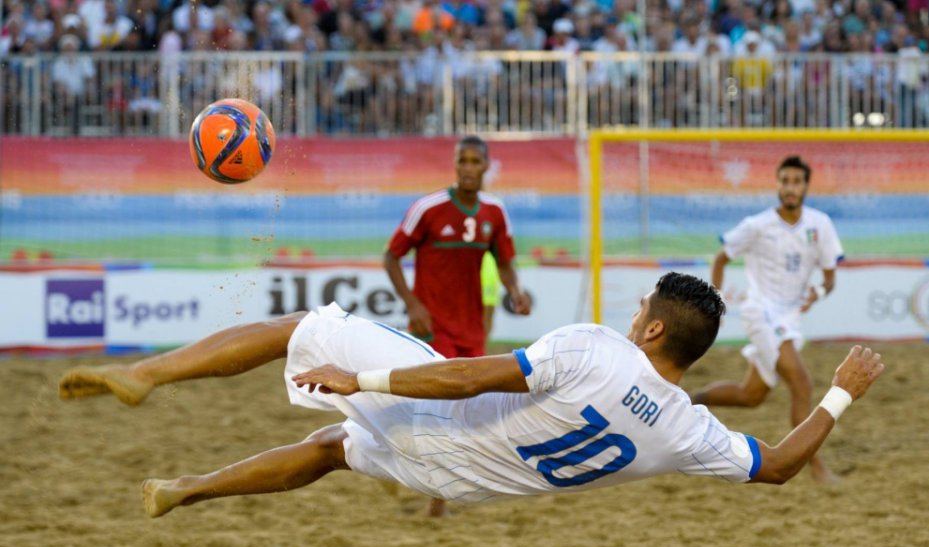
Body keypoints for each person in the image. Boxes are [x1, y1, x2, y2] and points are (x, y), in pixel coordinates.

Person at [57, 273, 884, 521]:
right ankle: (183, 490)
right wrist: (841, 395)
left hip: (434, 417)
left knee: (305, 325)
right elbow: (776, 466)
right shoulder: (687, 429)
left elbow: (468, 374)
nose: (634, 313)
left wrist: (364, 379)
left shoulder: (599, 347)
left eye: (644, 309)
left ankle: (149, 375)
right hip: (458, 483)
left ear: (656, 332)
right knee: (327, 451)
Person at [384, 134, 531, 515]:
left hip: (471, 329)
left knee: (463, 410)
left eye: (475, 161)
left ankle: (436, 493)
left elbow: (504, 262)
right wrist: (413, 304)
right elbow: (391, 257)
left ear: (486, 166)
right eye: (462, 161)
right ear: (455, 165)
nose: (468, 168)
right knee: (439, 408)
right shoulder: (428, 208)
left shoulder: (494, 214)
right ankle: (433, 494)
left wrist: (515, 290)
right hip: (431, 326)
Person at [691, 156, 844, 484]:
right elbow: (721, 258)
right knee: (802, 384)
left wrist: (817, 291)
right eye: (784, 181)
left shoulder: (820, 225)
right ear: (777, 184)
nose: (790, 188)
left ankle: (689, 400)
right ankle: (817, 469)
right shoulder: (757, 225)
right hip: (760, 312)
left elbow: (830, 278)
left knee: (752, 395)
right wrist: (714, 301)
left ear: (806, 186)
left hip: (789, 319)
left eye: (796, 182)